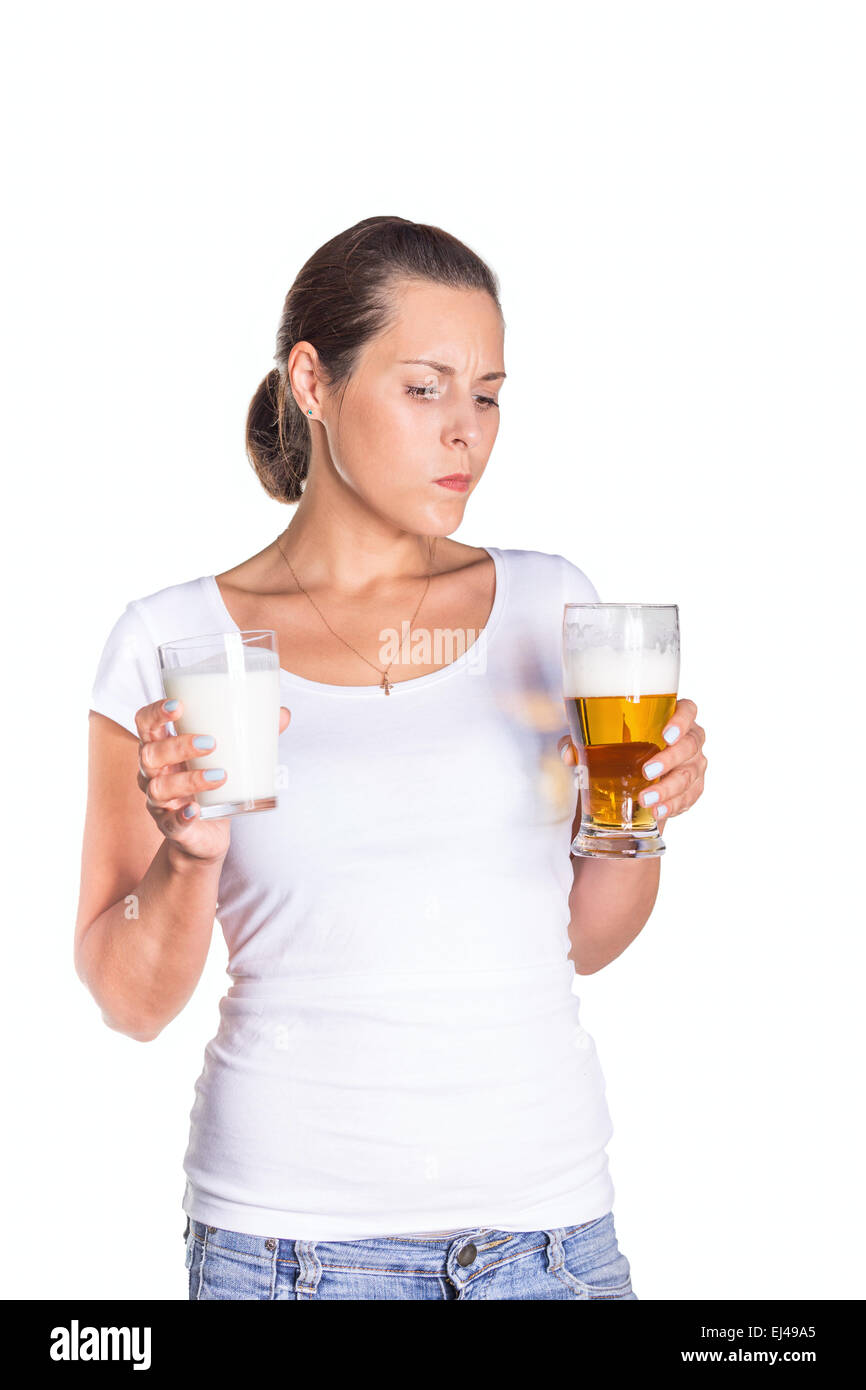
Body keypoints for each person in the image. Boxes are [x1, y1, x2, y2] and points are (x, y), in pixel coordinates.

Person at [76, 215, 707, 1300]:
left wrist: (641, 816)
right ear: (312, 382)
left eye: (487, 393)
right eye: (424, 388)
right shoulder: (177, 647)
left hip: (550, 1244)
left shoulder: (554, 606)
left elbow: (583, 941)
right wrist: (187, 857)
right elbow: (129, 1001)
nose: (465, 432)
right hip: (286, 1256)